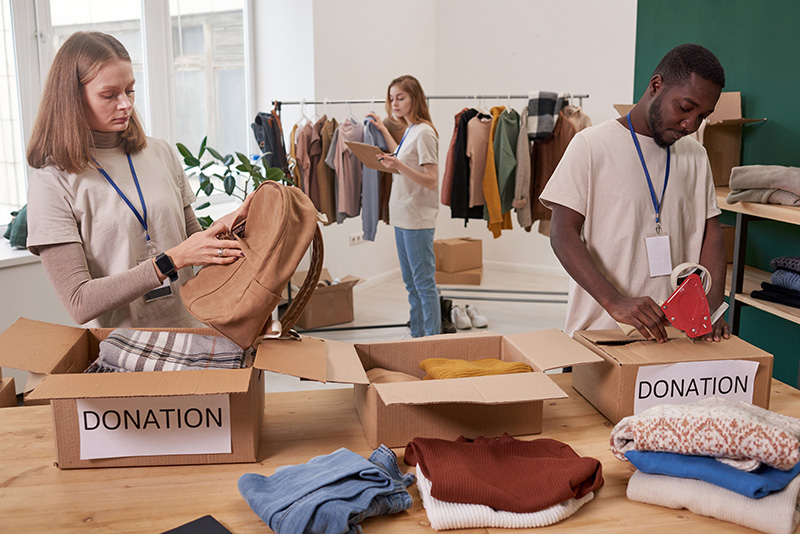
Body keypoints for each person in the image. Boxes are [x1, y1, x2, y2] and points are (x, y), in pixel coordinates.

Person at [25, 31, 251, 328]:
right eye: (109, 95)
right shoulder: (52, 181)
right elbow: (79, 302)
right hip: (125, 354)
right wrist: (169, 261)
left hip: (196, 334)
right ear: (72, 98)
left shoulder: (159, 152)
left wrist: (229, 228)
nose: (126, 104)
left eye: (130, 90)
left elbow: (191, 245)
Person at [540, 43, 730, 343]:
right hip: (601, 332)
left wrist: (713, 303)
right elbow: (562, 234)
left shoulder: (695, 155)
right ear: (656, 85)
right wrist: (614, 301)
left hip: (675, 335)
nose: (690, 124)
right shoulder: (591, 145)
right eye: (685, 107)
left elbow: (711, 231)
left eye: (703, 116)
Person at [367, 75, 441, 337]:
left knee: (423, 284)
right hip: (402, 216)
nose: (394, 103)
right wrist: (384, 131)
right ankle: (417, 337)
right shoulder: (411, 130)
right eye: (391, 98)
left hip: (417, 219)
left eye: (401, 98)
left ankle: (432, 339)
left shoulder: (425, 133)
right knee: (411, 284)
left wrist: (398, 165)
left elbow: (431, 180)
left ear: (414, 98)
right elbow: (402, 154)